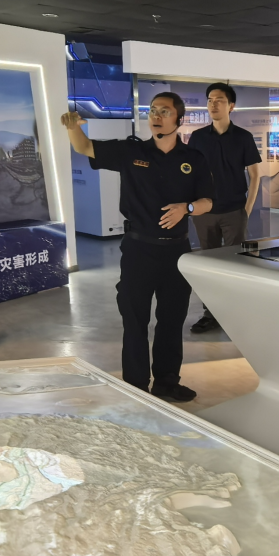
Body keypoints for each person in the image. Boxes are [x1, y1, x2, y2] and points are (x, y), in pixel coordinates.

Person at [62, 92, 213, 401]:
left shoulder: (194, 158)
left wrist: (186, 208)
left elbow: (208, 201)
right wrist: (72, 127)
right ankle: (136, 386)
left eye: (165, 111)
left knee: (171, 320)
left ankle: (167, 382)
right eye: (153, 110)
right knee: (135, 320)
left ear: (179, 119)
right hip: (138, 249)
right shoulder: (130, 151)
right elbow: (84, 147)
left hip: (177, 252)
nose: (156, 116)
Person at [187, 82, 262, 334]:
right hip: (204, 213)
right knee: (208, 265)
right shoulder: (198, 137)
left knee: (234, 265)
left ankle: (234, 313)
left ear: (231, 106)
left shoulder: (243, 137)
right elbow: (188, 173)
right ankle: (211, 314)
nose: (213, 104)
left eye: (219, 100)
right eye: (210, 100)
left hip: (233, 210)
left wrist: (246, 210)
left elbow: (255, 175)